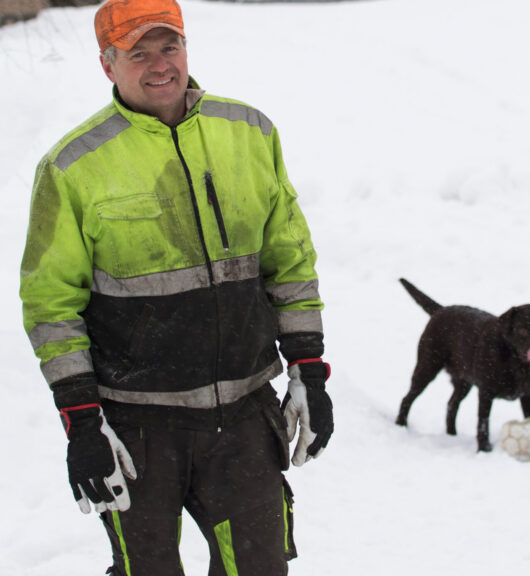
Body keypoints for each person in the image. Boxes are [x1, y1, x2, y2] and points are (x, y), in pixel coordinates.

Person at [19, 0, 334, 574]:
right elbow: (50, 304)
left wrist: (308, 368)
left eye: (170, 46)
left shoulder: (248, 131)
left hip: (244, 418)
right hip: (138, 429)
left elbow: (289, 259)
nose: (160, 64)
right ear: (107, 64)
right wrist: (82, 418)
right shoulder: (72, 166)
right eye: (138, 53)